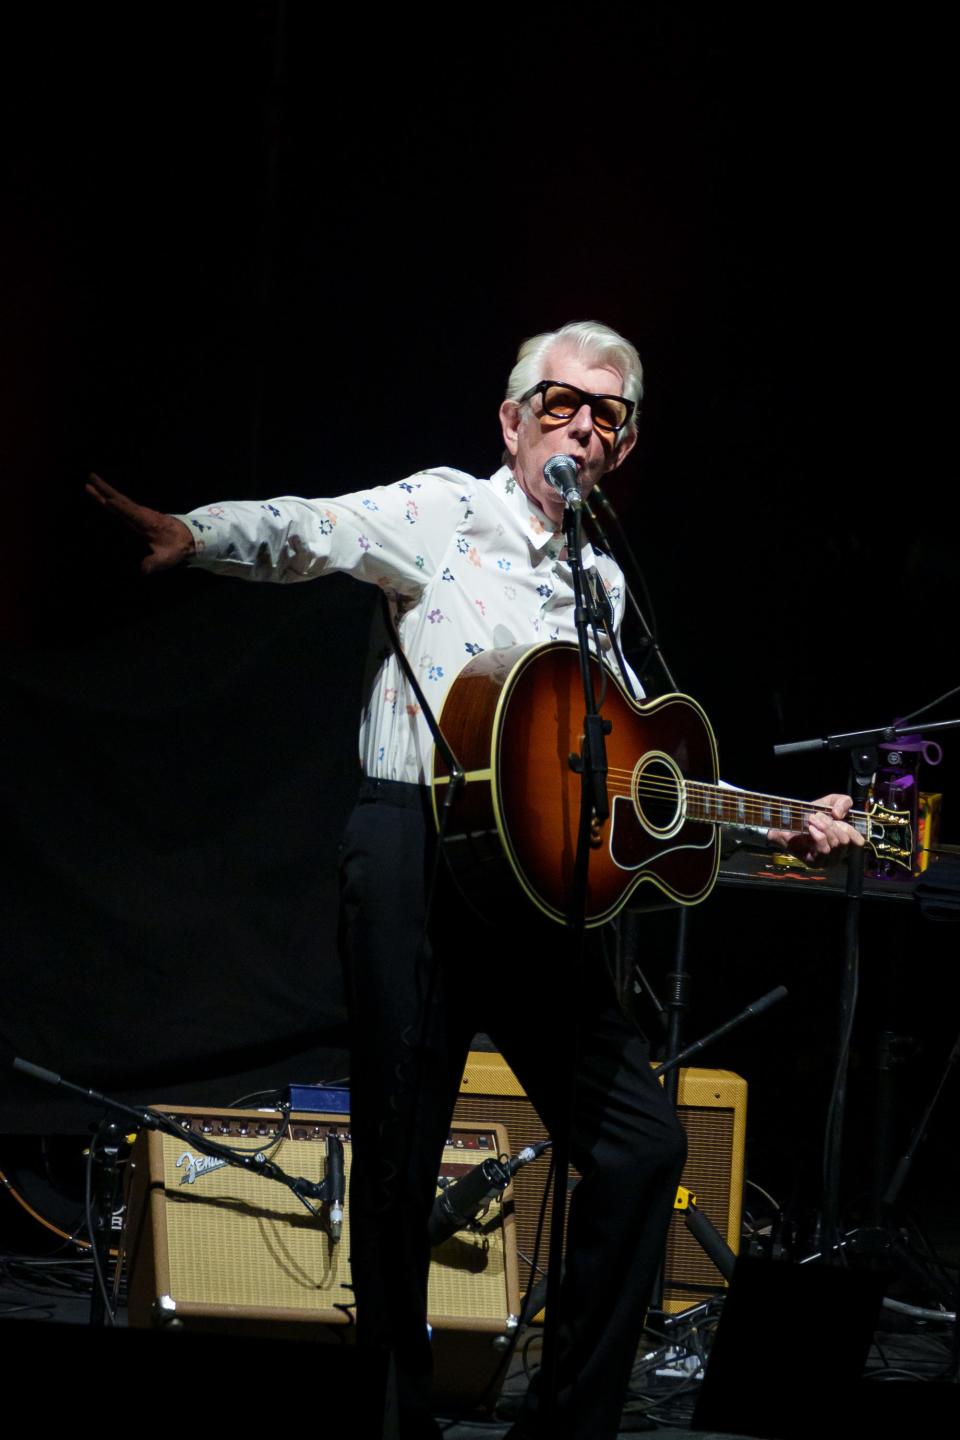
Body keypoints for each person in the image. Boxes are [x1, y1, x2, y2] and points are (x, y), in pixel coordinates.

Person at [88, 320, 862, 1438]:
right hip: (418, 846)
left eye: (608, 415)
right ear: (512, 422)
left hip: (539, 896)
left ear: (624, 449)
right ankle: (395, 1418)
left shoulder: (602, 583)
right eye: (560, 403)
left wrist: (780, 825)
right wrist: (189, 534)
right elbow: (313, 530)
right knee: (400, 1158)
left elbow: (649, 784)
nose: (583, 426)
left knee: (641, 1146)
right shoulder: (449, 508)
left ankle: (569, 1425)